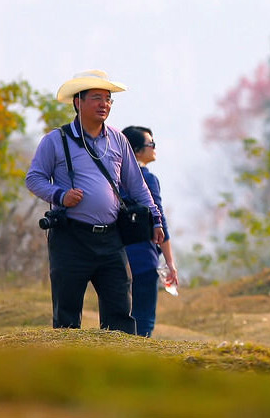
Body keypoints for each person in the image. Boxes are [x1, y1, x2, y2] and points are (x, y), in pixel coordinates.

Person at [24, 70, 164, 333]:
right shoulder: (56, 140)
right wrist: (60, 196)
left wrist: (155, 220)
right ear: (78, 102)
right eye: (97, 98)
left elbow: (137, 185)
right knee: (66, 317)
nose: (104, 104)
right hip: (70, 238)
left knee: (120, 315)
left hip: (111, 239)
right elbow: (34, 178)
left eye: (109, 99)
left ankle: (119, 370)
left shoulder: (118, 140)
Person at [120, 125, 177, 337]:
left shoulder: (113, 179)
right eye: (150, 144)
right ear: (136, 150)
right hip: (143, 256)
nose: (154, 148)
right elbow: (158, 219)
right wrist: (170, 262)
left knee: (120, 315)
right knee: (144, 317)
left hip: (117, 256)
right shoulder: (148, 179)